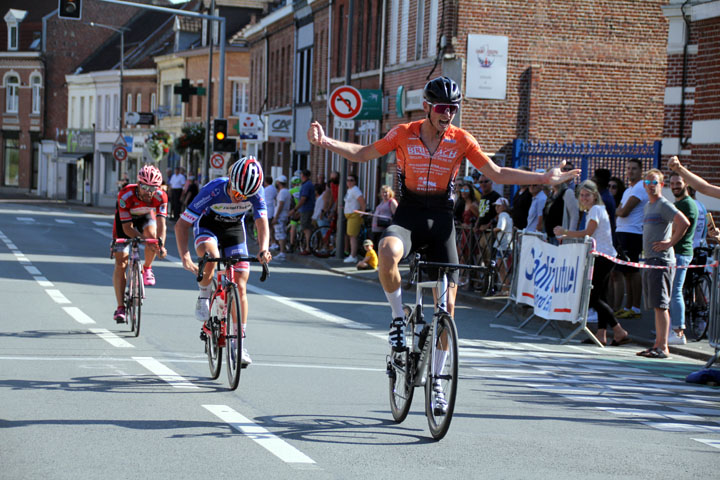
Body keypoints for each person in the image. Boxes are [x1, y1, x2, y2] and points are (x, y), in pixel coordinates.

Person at [307, 76, 579, 413]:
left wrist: (542, 178)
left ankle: (436, 381)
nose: (447, 114)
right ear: (427, 107)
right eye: (441, 108)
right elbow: (363, 153)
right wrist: (326, 143)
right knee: (389, 254)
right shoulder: (404, 133)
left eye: (452, 108)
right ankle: (396, 318)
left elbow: (496, 173)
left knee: (447, 309)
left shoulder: (461, 140)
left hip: (441, 219)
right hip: (408, 214)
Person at [174, 156, 271, 367]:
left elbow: (262, 222)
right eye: (236, 192)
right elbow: (181, 225)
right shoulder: (213, 190)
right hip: (208, 225)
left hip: (234, 229)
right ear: (229, 181)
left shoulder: (256, 192)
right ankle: (204, 294)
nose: (239, 198)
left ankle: (239, 343)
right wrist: (185, 256)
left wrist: (264, 248)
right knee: (211, 256)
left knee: (241, 284)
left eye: (245, 195)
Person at [554, 180, 630, 346]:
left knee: (593, 297)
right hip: (604, 256)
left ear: (595, 195)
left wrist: (565, 232)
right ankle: (601, 334)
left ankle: (619, 330)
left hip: (603, 257)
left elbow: (588, 232)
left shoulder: (595, 209)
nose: (584, 198)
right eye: (581, 195)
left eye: (587, 195)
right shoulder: (596, 209)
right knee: (601, 296)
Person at [636, 169, 690, 359]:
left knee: (661, 304)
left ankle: (664, 346)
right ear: (644, 185)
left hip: (662, 260)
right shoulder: (648, 206)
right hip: (650, 259)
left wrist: (670, 242)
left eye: (655, 183)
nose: (651, 186)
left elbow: (683, 222)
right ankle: (657, 344)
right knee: (655, 304)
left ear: (661, 185)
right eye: (648, 183)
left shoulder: (663, 205)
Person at [111, 165, 168, 322]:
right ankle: (120, 307)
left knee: (152, 236)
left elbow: (162, 224)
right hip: (125, 221)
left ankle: (147, 268)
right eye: (144, 186)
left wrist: (160, 244)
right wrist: (144, 241)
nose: (148, 191)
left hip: (145, 217)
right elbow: (127, 228)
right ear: (138, 183)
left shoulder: (161, 196)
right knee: (121, 261)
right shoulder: (125, 195)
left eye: (153, 188)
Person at [614, 159, 648, 319]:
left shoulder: (641, 187)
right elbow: (619, 209)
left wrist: (619, 211)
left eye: (634, 169)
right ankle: (628, 306)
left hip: (632, 233)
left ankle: (635, 307)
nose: (630, 171)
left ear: (640, 171)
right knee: (626, 272)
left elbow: (624, 211)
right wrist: (619, 210)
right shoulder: (629, 189)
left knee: (633, 271)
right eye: (628, 168)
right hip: (622, 232)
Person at [668, 172, 698, 345]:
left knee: (675, 292)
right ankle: (671, 327)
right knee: (672, 292)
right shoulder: (678, 203)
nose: (674, 186)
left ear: (686, 183)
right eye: (672, 183)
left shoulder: (687, 204)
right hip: (676, 252)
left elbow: (680, 229)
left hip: (681, 253)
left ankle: (678, 332)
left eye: (678, 183)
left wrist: (668, 242)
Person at [289, 169, 314, 255]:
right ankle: (306, 246)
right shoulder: (305, 185)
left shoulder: (307, 185)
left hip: (306, 209)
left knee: (306, 228)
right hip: (303, 209)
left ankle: (308, 247)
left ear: (303, 175)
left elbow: (303, 199)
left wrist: (295, 209)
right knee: (303, 227)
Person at [343, 173, 366, 263]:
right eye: (348, 180)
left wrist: (362, 212)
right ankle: (351, 254)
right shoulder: (349, 190)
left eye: (351, 180)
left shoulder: (355, 190)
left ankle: (353, 255)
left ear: (355, 182)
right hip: (349, 216)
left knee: (353, 236)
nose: (349, 182)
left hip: (354, 215)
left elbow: (362, 201)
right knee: (350, 235)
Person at [492, 197, 513, 295]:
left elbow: (501, 227)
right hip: (506, 244)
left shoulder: (503, 215)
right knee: (503, 266)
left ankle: (505, 288)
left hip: (503, 244)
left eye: (498, 206)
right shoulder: (508, 215)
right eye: (496, 206)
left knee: (501, 267)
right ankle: (505, 288)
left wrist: (494, 230)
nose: (497, 208)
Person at [271, 175, 291, 260]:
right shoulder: (287, 191)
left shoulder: (282, 192)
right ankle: (282, 251)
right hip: (283, 215)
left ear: (279, 183)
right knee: (280, 233)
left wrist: (276, 217)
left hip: (280, 216)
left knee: (280, 234)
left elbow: (281, 205)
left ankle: (282, 252)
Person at [263, 175, 278, 250]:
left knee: (268, 228)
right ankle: (273, 242)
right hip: (272, 209)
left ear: (266, 182)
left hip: (267, 210)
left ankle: (272, 242)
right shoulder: (274, 189)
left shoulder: (265, 190)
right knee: (271, 227)